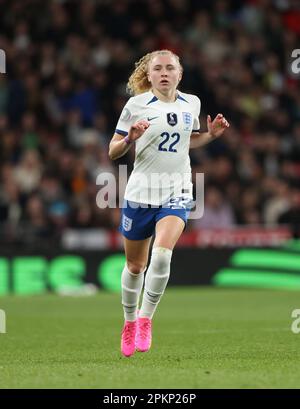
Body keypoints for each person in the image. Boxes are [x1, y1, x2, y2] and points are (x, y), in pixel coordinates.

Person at [108, 49, 229, 357]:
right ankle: (129, 321)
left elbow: (188, 140)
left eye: (169, 68)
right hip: (140, 194)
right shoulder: (136, 105)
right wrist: (130, 138)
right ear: (148, 75)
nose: (164, 72)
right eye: (157, 68)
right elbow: (113, 152)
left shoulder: (192, 103)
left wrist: (211, 135)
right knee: (136, 266)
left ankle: (146, 319)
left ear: (179, 74)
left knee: (162, 256)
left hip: (176, 192)